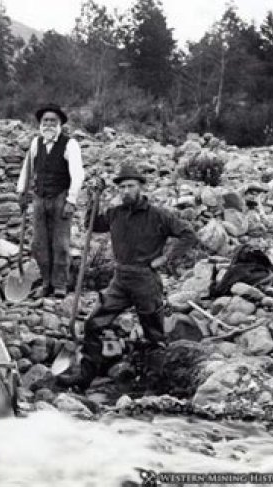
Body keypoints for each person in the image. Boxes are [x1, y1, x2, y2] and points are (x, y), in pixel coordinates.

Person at [79, 163, 197, 390]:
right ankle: (85, 377)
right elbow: (91, 225)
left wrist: (165, 258)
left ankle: (156, 385)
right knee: (93, 323)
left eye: (130, 186)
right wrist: (94, 198)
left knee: (154, 335)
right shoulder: (115, 214)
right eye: (122, 187)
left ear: (141, 187)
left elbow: (188, 234)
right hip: (120, 279)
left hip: (145, 280)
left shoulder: (158, 215)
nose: (126, 191)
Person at [16, 103, 85, 298]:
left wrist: (71, 200)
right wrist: (21, 191)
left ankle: (60, 285)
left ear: (59, 124)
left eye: (53, 121)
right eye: (45, 120)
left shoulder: (70, 144)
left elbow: (78, 174)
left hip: (60, 197)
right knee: (39, 243)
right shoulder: (36, 143)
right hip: (39, 197)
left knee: (60, 244)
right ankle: (46, 282)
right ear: (40, 123)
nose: (48, 124)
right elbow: (27, 169)